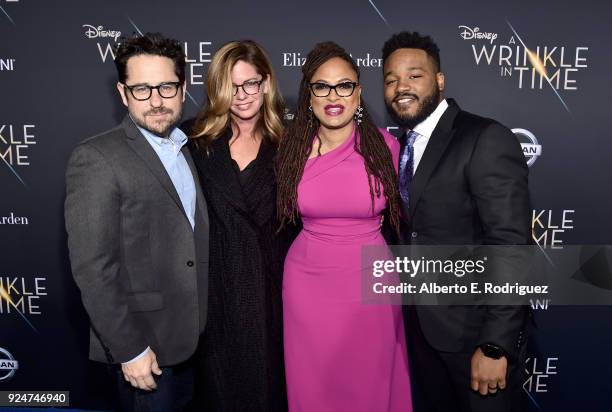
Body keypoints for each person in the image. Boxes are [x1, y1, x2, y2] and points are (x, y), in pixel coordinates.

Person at [382, 31, 532, 412]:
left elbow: (511, 245)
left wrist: (495, 345)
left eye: (414, 75)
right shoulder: (400, 147)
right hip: (418, 336)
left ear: (440, 80)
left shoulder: (484, 138)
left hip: (474, 340)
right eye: (391, 79)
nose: (402, 87)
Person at [64, 32, 209, 412]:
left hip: (196, 342)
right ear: (123, 92)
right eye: (142, 89)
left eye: (166, 86)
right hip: (146, 350)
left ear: (183, 87)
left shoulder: (188, 147)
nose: (156, 101)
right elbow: (94, 269)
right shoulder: (96, 157)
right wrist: (129, 349)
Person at [276, 41, 412, 412]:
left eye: (344, 85)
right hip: (307, 285)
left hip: (371, 282)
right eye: (322, 86)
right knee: (312, 389)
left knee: (368, 384)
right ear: (309, 94)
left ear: (359, 92)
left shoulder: (388, 149)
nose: (333, 96)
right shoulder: (290, 149)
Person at [184, 40, 288, 411]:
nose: (242, 96)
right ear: (216, 89)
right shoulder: (193, 141)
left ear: (266, 83)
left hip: (269, 298)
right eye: (231, 86)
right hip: (213, 298)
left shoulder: (289, 145)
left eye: (250, 84)